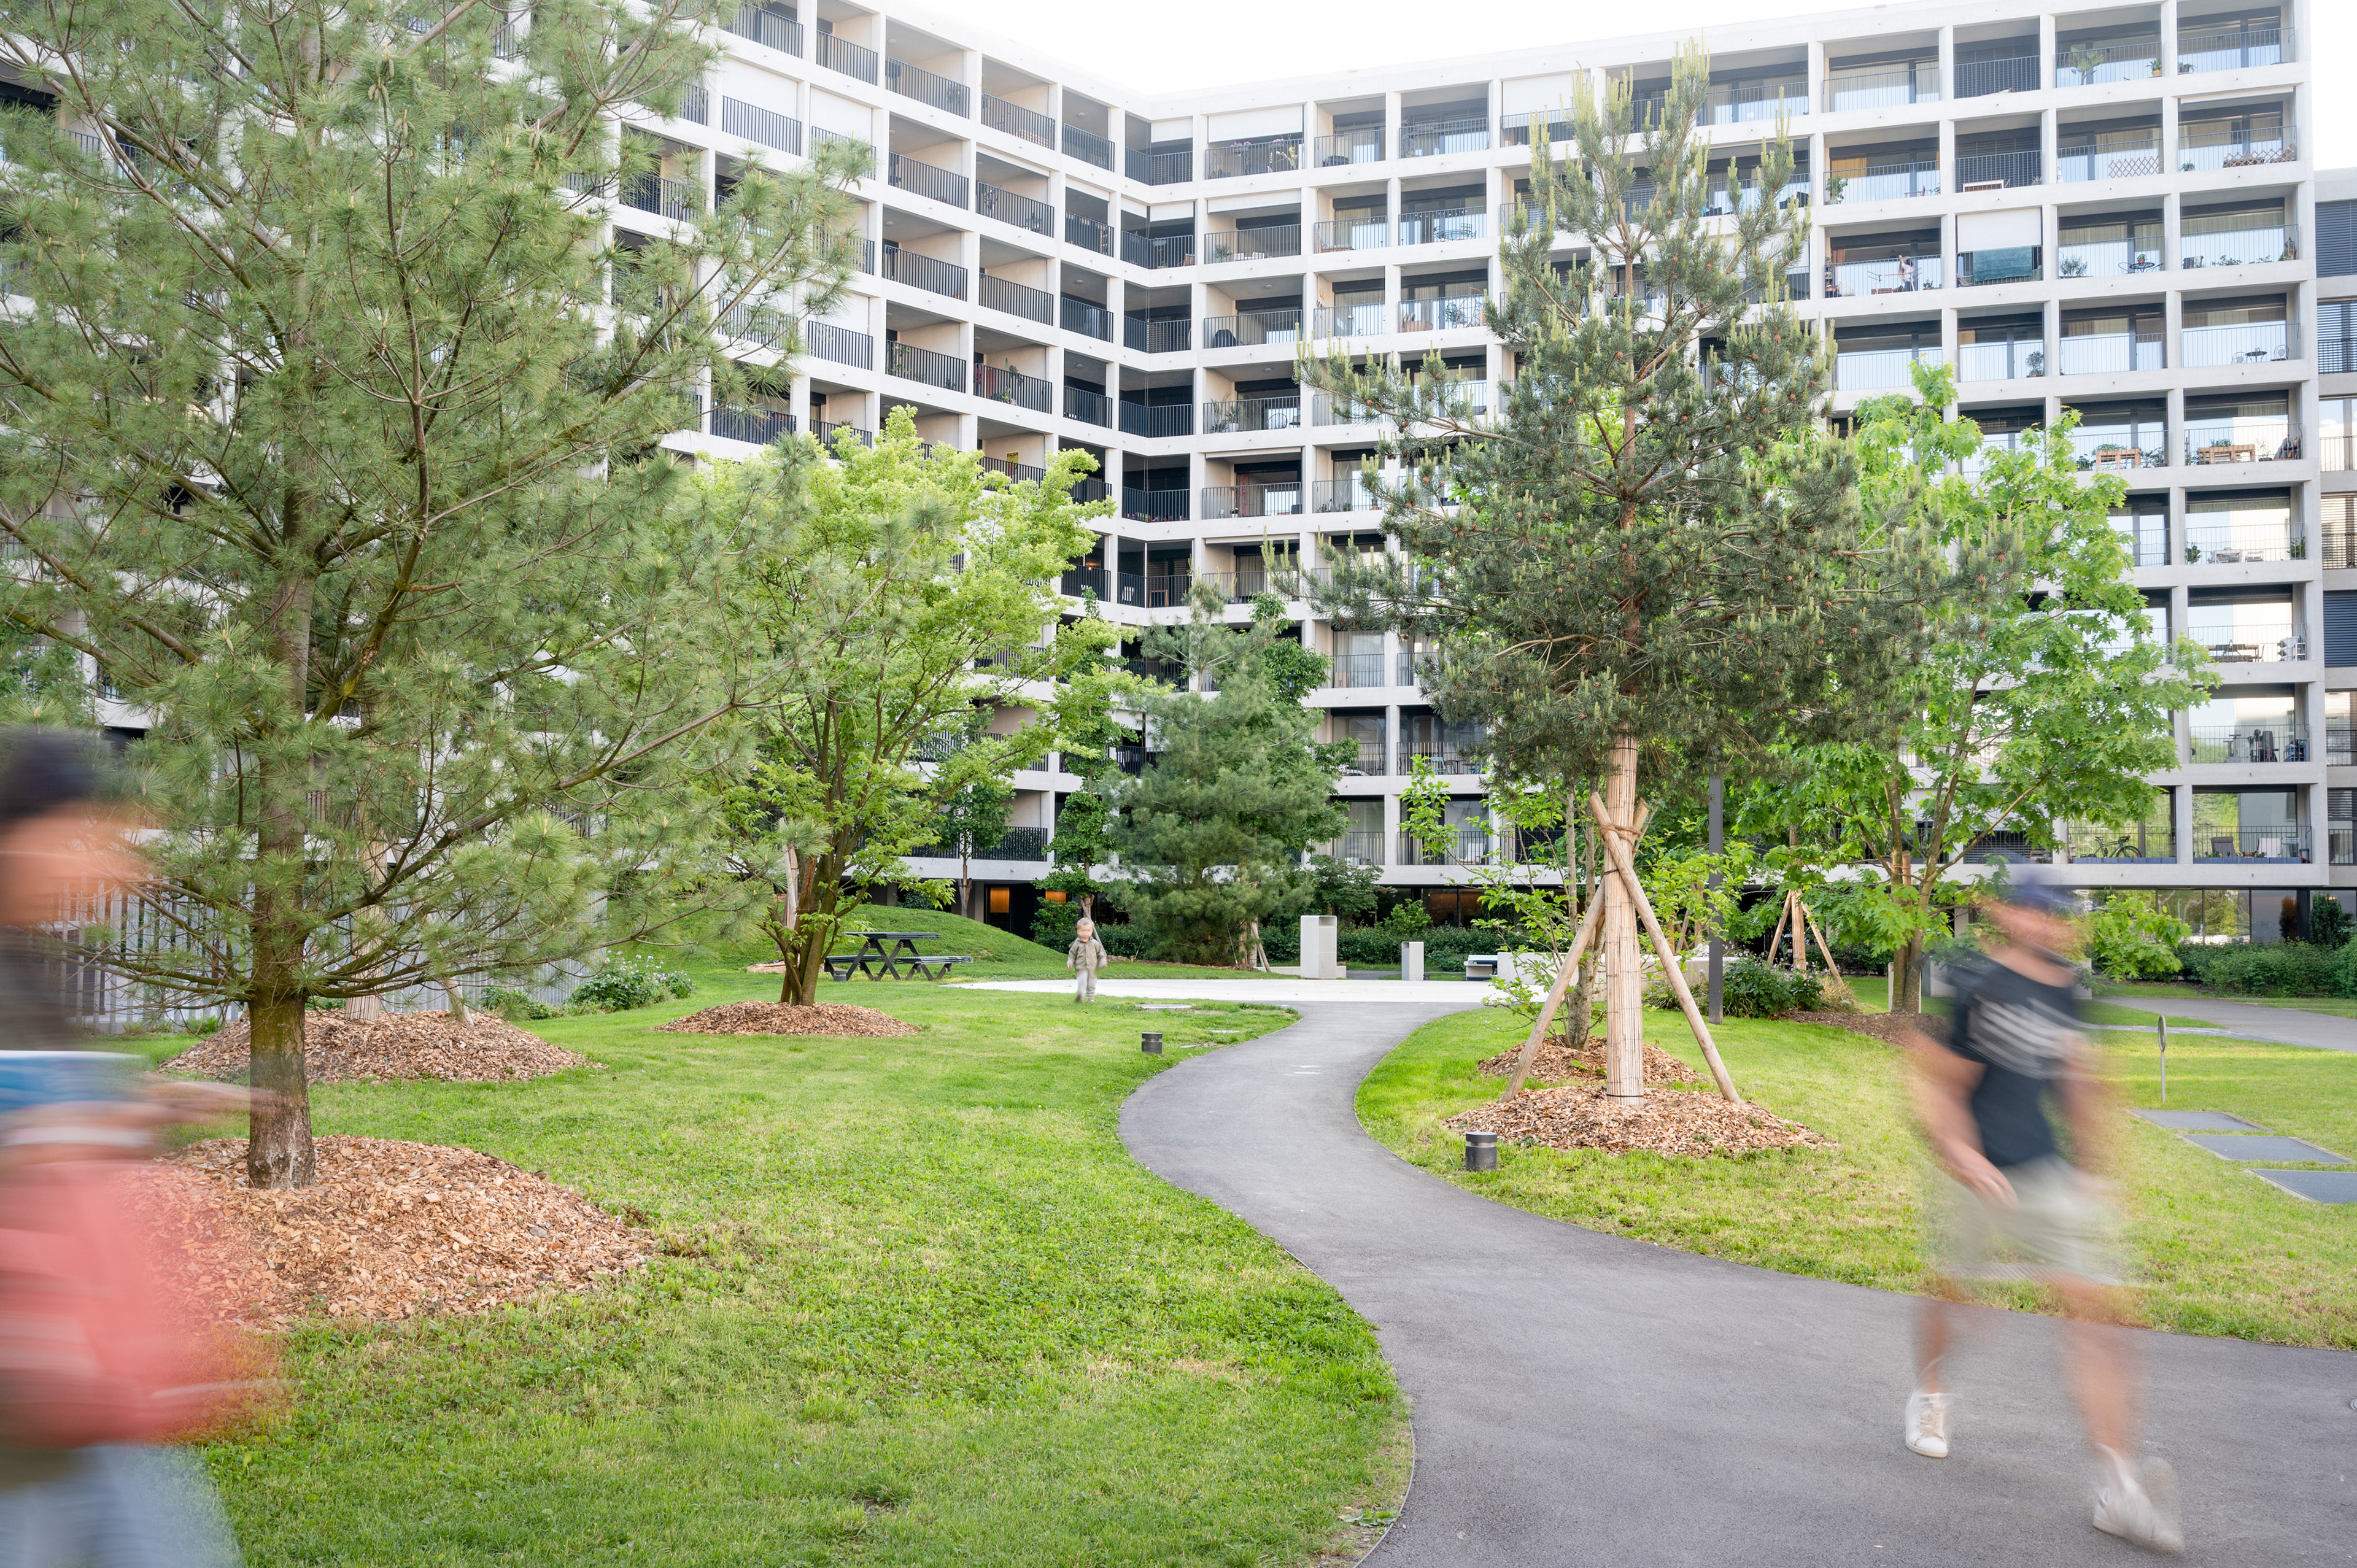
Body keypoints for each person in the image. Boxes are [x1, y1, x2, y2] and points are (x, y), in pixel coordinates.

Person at [0, 729, 255, 1567]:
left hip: (80, 1392)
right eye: (81, 836)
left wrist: (142, 1109)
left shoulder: (32, 971)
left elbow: (42, 1115)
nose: (107, 864)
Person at [1902, 875, 2181, 1553]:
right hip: (1977, 1169)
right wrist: (1964, 1157)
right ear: (2004, 913)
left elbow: (2081, 1081)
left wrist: (2094, 1171)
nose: (2045, 926)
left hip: (2045, 1170)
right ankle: (1929, 1392)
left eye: (2057, 917)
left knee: (2099, 1312)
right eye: (2031, 912)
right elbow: (1933, 1080)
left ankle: (2119, 1487)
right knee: (1952, 1290)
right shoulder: (1972, 980)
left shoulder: (2069, 991)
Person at [1066, 917, 1109, 1004]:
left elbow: (1101, 954)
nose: (1085, 933)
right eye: (1083, 931)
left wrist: (1103, 963)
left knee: (1091, 984)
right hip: (1081, 968)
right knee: (1082, 981)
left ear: (1091, 931)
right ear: (1078, 931)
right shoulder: (1076, 944)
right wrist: (1070, 962)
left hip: (1093, 968)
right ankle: (1081, 994)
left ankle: (1090, 997)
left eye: (1088, 931)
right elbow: (1072, 955)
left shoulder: (1095, 943)